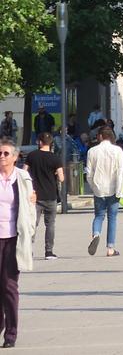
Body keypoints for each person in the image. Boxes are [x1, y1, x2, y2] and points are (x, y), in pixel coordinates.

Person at [0, 137, 36, 349]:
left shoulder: (22, 177)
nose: (2, 157)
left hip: (13, 237)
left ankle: (11, 334)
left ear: (15, 157)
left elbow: (30, 206)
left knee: (9, 286)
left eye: (6, 153)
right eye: (0, 153)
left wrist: (29, 230)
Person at [85, 126, 123, 257]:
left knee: (98, 216)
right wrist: (121, 188)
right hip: (114, 188)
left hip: (99, 188)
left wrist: (93, 186)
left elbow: (88, 172)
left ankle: (96, 233)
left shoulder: (92, 151)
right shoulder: (117, 150)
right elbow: (122, 171)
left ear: (101, 136)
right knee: (112, 218)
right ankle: (110, 248)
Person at [25, 133, 63, 260]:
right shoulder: (55, 158)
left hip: (34, 196)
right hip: (51, 196)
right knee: (50, 224)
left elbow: (24, 172)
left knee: (32, 224)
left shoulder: (32, 156)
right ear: (50, 142)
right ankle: (49, 252)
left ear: (40, 142)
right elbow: (61, 178)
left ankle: (28, 251)